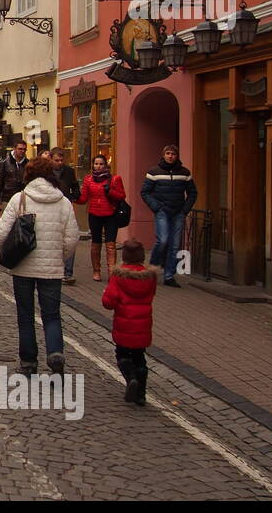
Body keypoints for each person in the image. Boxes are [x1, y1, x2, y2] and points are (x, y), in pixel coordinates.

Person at [0, 157, 80, 375]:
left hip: (23, 266)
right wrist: (60, 257)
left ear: (29, 174)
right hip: (51, 270)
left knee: (25, 314)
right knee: (51, 315)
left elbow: (0, 234)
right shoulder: (63, 202)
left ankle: (29, 362)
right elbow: (72, 239)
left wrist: (8, 250)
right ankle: (55, 353)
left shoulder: (19, 199)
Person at [101, 238, 157, 406]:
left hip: (124, 325)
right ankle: (141, 394)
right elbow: (152, 294)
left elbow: (108, 302)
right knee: (140, 358)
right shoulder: (150, 277)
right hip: (143, 326)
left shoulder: (118, 276)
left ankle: (131, 378)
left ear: (124, 256)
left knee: (122, 354)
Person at [140, 144, 197, 288]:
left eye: (173, 154)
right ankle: (152, 268)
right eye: (168, 153)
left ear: (177, 156)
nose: (170, 156)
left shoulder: (184, 173)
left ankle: (169, 275)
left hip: (178, 212)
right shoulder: (154, 172)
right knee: (163, 240)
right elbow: (145, 192)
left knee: (175, 245)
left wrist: (185, 210)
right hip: (162, 211)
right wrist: (156, 207)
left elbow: (193, 193)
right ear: (163, 155)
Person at [78, 154, 126, 281]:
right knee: (96, 243)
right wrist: (74, 197)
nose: (98, 166)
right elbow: (83, 198)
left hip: (111, 214)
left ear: (106, 165)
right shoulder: (88, 180)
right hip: (94, 214)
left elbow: (121, 195)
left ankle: (112, 272)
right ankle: (96, 271)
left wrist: (110, 191)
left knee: (110, 244)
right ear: (93, 165)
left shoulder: (115, 179)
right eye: (96, 164)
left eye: (101, 164)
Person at [50, 148, 82, 285]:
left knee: (70, 238)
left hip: (66, 208)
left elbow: (75, 187)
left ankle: (68, 273)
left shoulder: (68, 171)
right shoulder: (45, 171)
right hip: (50, 208)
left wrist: (73, 197)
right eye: (57, 160)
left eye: (61, 160)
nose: (59, 163)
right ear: (51, 159)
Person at [0, 141, 29, 217]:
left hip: (23, 198)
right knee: (7, 221)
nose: (22, 151)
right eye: (20, 149)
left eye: (24, 149)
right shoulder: (5, 163)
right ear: (14, 149)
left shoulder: (28, 164)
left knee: (22, 223)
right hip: (8, 198)